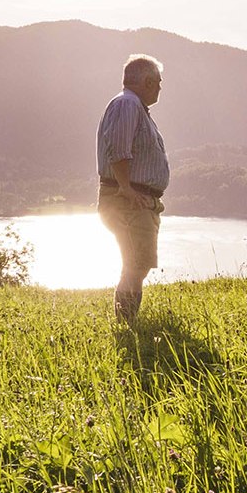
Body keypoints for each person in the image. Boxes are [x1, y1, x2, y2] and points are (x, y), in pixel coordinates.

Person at [97, 54, 169, 321]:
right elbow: (118, 147)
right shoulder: (127, 104)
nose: (161, 87)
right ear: (148, 81)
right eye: (159, 82)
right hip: (128, 200)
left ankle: (128, 321)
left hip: (135, 199)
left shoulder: (133, 105)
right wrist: (126, 188)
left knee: (137, 264)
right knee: (136, 264)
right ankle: (127, 324)